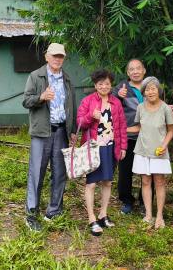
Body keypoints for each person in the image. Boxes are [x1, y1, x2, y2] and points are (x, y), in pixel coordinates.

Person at [22, 43, 77, 231]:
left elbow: (72, 107)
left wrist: (73, 130)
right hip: (42, 133)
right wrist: (41, 97)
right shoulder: (36, 76)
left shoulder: (67, 79)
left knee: (60, 173)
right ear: (47, 57)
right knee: (37, 172)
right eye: (54, 56)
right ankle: (31, 214)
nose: (57, 59)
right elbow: (26, 101)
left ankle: (54, 211)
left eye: (61, 56)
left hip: (61, 131)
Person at [76, 69, 128, 236]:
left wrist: (123, 147)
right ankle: (92, 218)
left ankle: (103, 214)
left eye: (107, 83)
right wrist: (91, 116)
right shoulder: (88, 101)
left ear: (110, 84)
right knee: (91, 184)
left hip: (111, 147)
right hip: (93, 148)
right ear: (95, 85)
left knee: (107, 182)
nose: (104, 86)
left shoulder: (116, 103)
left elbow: (121, 127)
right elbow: (80, 123)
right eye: (100, 83)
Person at [132, 76, 173, 229]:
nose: (150, 92)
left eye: (153, 88)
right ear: (144, 93)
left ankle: (160, 216)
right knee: (145, 181)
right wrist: (120, 130)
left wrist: (164, 145)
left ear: (158, 90)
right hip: (142, 149)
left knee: (159, 182)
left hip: (159, 151)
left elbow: (171, 130)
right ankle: (148, 215)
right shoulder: (140, 108)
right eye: (147, 89)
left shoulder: (165, 108)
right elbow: (139, 127)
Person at [115, 58, 147, 214]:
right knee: (125, 171)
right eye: (132, 69)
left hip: (148, 138)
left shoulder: (151, 86)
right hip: (129, 137)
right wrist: (119, 96)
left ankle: (144, 202)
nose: (135, 71)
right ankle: (127, 201)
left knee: (147, 172)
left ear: (144, 70)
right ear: (128, 73)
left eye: (138, 68)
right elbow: (112, 106)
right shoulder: (122, 88)